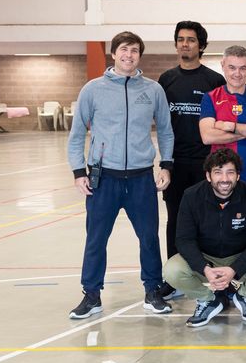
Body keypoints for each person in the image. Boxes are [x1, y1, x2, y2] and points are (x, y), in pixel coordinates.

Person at [67, 31, 175, 319]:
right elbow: (77, 133)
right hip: (104, 179)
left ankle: (153, 290)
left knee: (149, 237)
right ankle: (91, 294)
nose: (129, 55)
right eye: (124, 50)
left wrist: (166, 165)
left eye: (135, 50)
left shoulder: (152, 90)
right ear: (113, 53)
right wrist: (79, 172)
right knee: (96, 239)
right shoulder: (93, 89)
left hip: (141, 178)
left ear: (140, 55)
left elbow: (165, 129)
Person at [164, 149, 246, 328]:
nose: (224, 179)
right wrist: (204, 268)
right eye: (218, 172)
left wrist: (235, 269)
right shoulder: (192, 196)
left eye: (230, 172)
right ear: (208, 176)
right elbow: (184, 240)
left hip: (240, 256)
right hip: (205, 257)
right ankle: (208, 299)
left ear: (238, 176)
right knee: (171, 271)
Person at [158, 21, 224, 263]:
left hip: (206, 162)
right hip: (175, 162)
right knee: (175, 218)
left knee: (208, 218)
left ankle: (207, 272)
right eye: (181, 39)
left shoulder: (214, 80)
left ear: (202, 45)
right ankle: (174, 276)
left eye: (191, 39)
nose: (185, 44)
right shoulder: (166, 79)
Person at [199, 45, 246, 193]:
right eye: (232, 67)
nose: (237, 73)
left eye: (243, 68)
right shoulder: (210, 98)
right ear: (223, 66)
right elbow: (207, 136)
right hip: (222, 177)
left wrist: (229, 126)